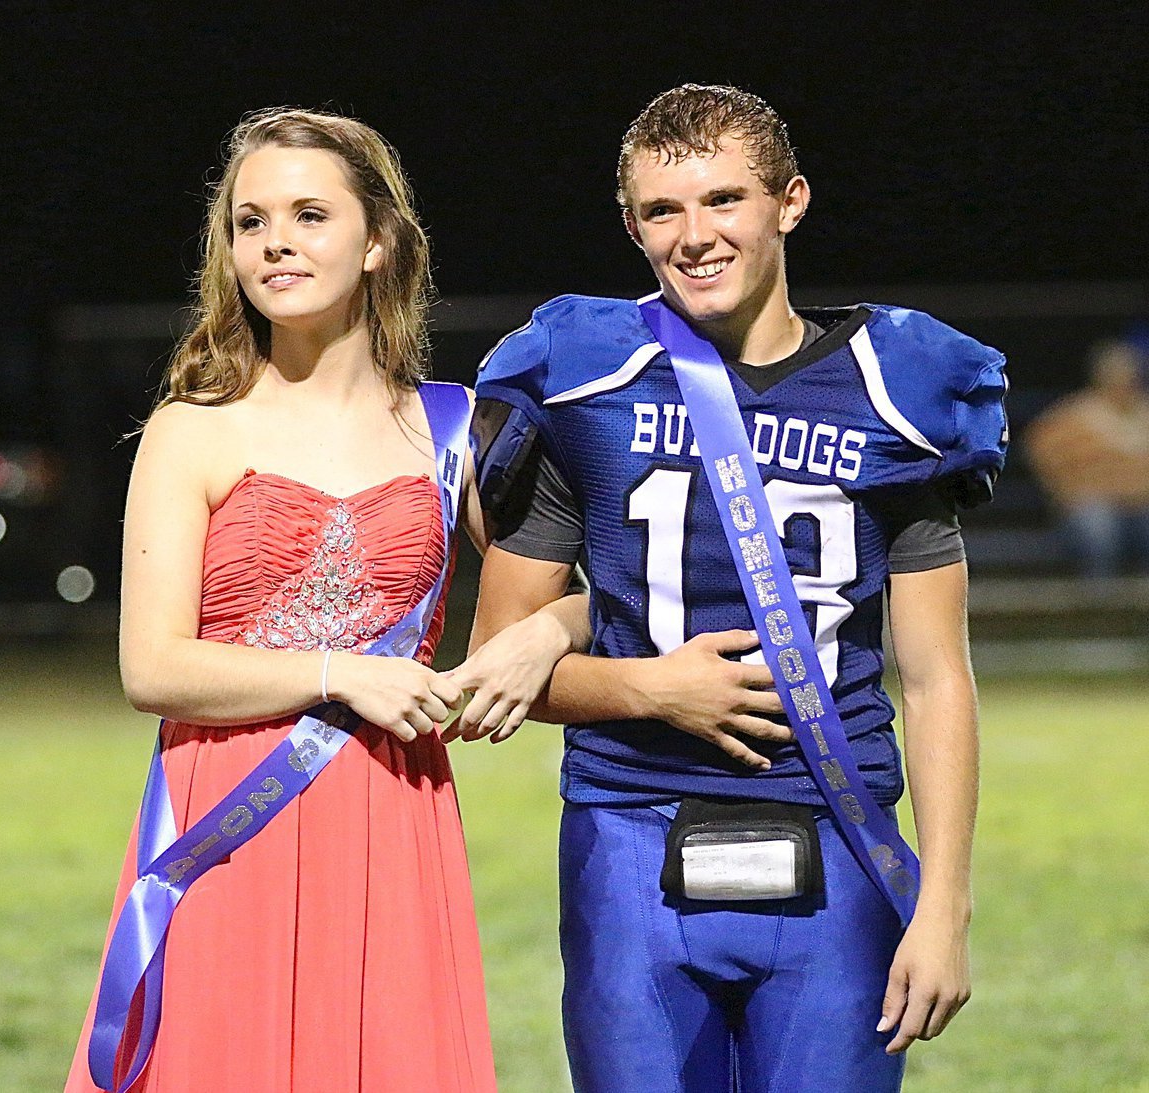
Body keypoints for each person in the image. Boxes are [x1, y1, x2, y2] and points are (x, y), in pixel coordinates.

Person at [454, 84, 1008, 1091]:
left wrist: (945, 903)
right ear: (632, 226)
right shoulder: (585, 379)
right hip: (630, 831)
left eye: (724, 199)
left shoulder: (897, 389)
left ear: (789, 201)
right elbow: (494, 665)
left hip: (839, 834)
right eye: (663, 210)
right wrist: (647, 687)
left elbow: (936, 678)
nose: (694, 234)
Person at [64, 108, 584, 1093]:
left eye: (309, 214)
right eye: (250, 221)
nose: (276, 242)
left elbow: (598, 593)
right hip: (228, 812)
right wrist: (342, 673)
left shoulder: (450, 429)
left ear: (377, 239)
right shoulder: (192, 429)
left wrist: (550, 631)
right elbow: (152, 666)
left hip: (392, 810)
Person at [1025, 338, 1149, 577]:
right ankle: (1100, 593)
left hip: (1143, 504)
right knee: (1097, 526)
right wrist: (1065, 492)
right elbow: (1039, 449)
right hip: (1094, 505)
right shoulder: (1072, 416)